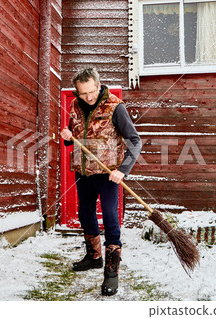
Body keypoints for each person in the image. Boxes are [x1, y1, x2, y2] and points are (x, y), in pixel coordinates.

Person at [60, 68, 141, 296]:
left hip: (108, 175)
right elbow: (73, 138)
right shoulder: (75, 106)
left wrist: (122, 170)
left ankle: (111, 271)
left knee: (110, 217)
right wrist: (67, 137)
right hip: (83, 172)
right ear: (77, 91)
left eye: (92, 91)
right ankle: (94, 256)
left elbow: (135, 141)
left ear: (98, 85)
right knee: (85, 214)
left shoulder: (115, 106)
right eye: (83, 93)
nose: (88, 97)